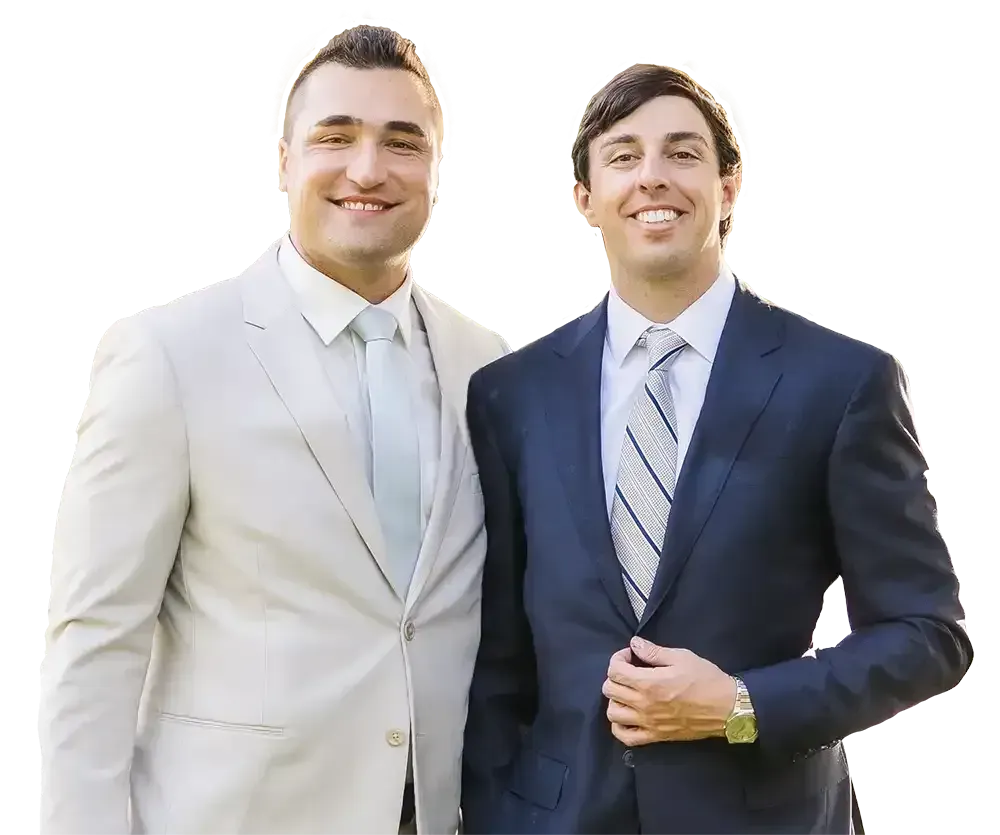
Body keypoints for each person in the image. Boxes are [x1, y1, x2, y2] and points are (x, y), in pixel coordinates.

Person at [460, 62, 972, 835]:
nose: (653, 177)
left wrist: (740, 705)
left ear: (730, 188)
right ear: (584, 197)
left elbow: (927, 635)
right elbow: (496, 658)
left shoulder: (840, 382)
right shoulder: (510, 394)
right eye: (624, 156)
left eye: (684, 153)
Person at [41, 25, 509, 835]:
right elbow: (96, 639)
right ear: (284, 160)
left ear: (437, 168)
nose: (368, 169)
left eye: (403, 142)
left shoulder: (492, 366)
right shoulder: (167, 355)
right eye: (336, 137)